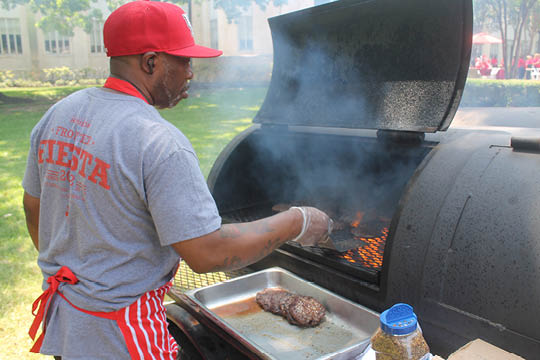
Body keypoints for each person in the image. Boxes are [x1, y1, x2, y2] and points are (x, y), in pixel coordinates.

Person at [21, 1, 333, 359]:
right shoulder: (157, 141)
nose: (190, 72)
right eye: (183, 60)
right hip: (122, 337)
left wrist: (84, 266)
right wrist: (298, 220)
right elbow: (208, 252)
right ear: (151, 62)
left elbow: (34, 210)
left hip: (68, 323)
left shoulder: (59, 114)